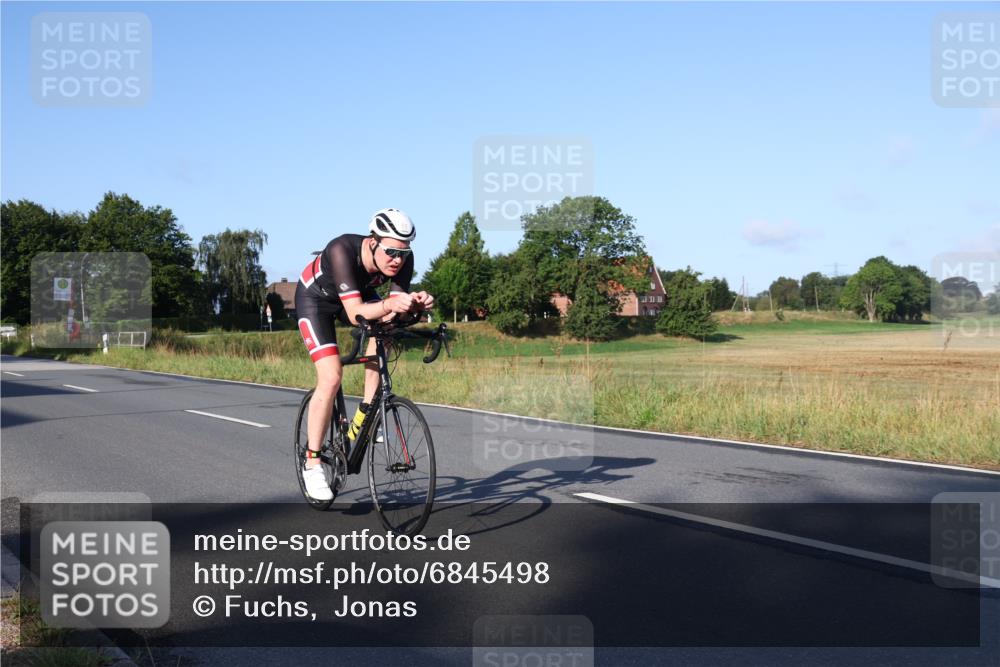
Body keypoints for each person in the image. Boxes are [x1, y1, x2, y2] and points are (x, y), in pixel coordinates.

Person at [294, 208, 434, 500]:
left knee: (386, 331)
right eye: (391, 252)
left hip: (357, 298)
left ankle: (368, 410)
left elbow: (392, 312)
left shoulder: (402, 260)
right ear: (373, 241)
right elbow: (357, 311)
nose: (397, 260)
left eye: (404, 253)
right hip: (316, 300)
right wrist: (390, 306)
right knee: (331, 377)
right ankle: (313, 462)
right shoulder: (342, 250)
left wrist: (415, 306)